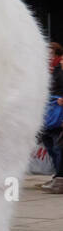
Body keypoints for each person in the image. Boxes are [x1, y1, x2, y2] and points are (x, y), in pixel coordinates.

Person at [41, 42, 63, 193]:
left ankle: (59, 179)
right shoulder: (48, 69)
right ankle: (57, 176)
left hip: (58, 109)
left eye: (50, 53)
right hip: (48, 109)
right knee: (49, 143)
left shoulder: (60, 67)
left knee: (57, 145)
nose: (48, 56)